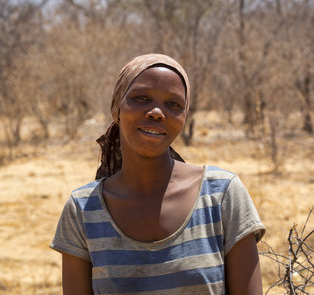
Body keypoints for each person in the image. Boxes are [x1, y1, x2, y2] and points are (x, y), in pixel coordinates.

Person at [50, 54, 266, 295]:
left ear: (184, 117)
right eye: (141, 98)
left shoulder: (222, 195)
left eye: (173, 105)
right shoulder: (83, 210)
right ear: (117, 109)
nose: (156, 112)